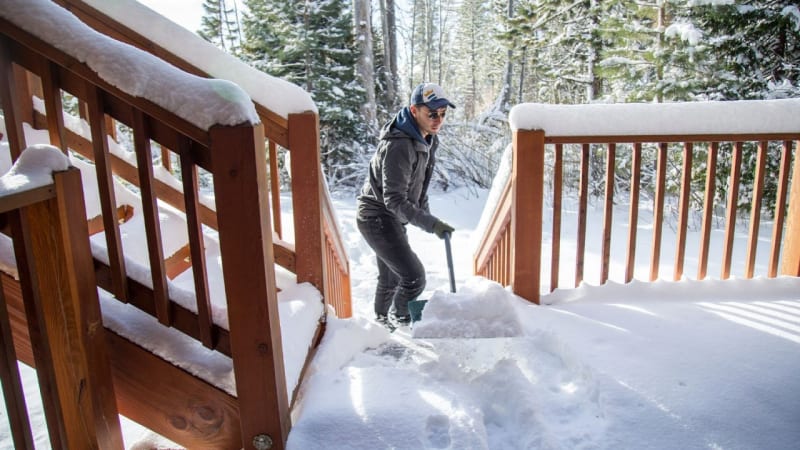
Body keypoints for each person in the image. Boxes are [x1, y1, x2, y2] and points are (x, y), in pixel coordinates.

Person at [356, 82, 456, 329]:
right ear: (414, 111)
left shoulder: (427, 140)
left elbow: (419, 190)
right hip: (376, 217)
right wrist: (431, 224)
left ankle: (380, 325)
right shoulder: (400, 145)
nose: (438, 120)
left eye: (442, 114)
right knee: (413, 277)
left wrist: (430, 221)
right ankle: (400, 319)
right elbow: (395, 199)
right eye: (432, 113)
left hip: (391, 216)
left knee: (390, 277)